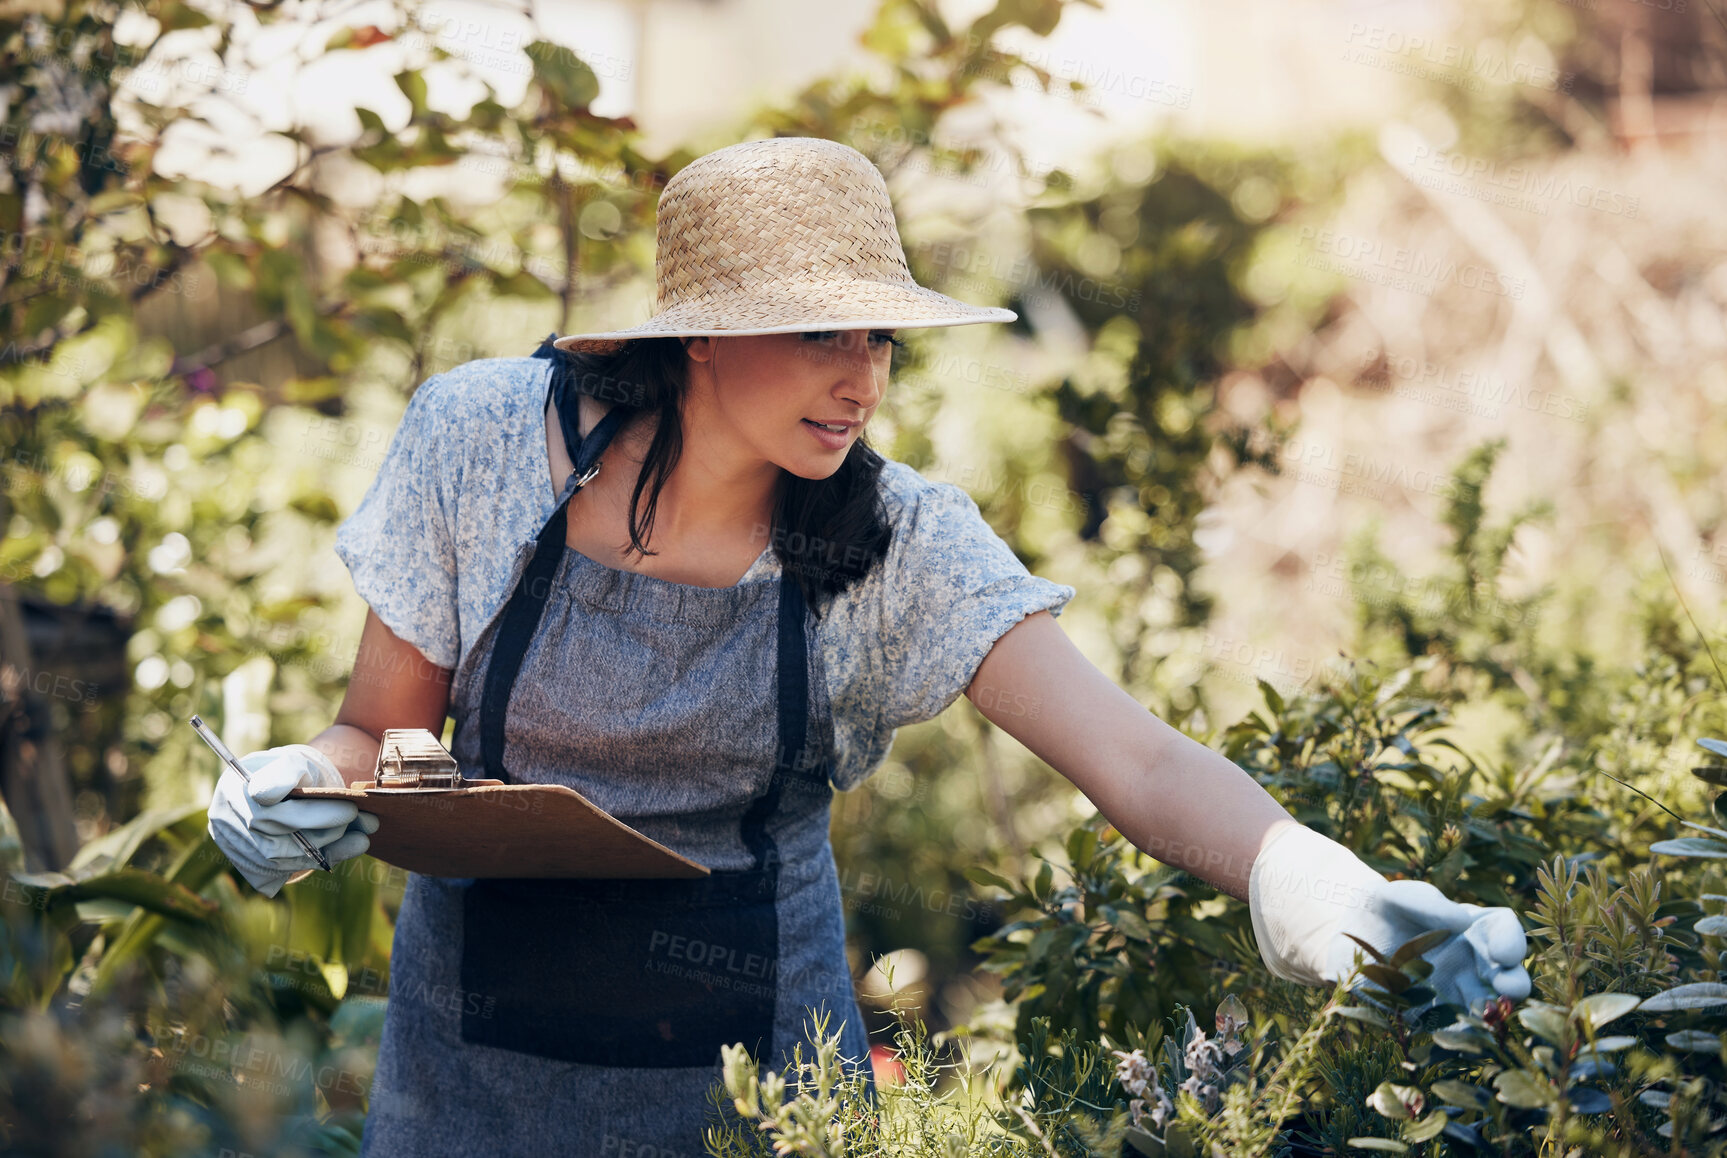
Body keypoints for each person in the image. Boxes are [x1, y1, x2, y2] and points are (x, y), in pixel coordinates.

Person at [206, 136, 1530, 1155]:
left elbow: (1129, 754)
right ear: (701, 338)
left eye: (880, 334)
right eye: (820, 331)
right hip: (471, 1088)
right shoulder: (482, 446)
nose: (864, 376)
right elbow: (378, 733)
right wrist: (297, 784)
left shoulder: (896, 544)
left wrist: (1301, 875)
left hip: (765, 1092)